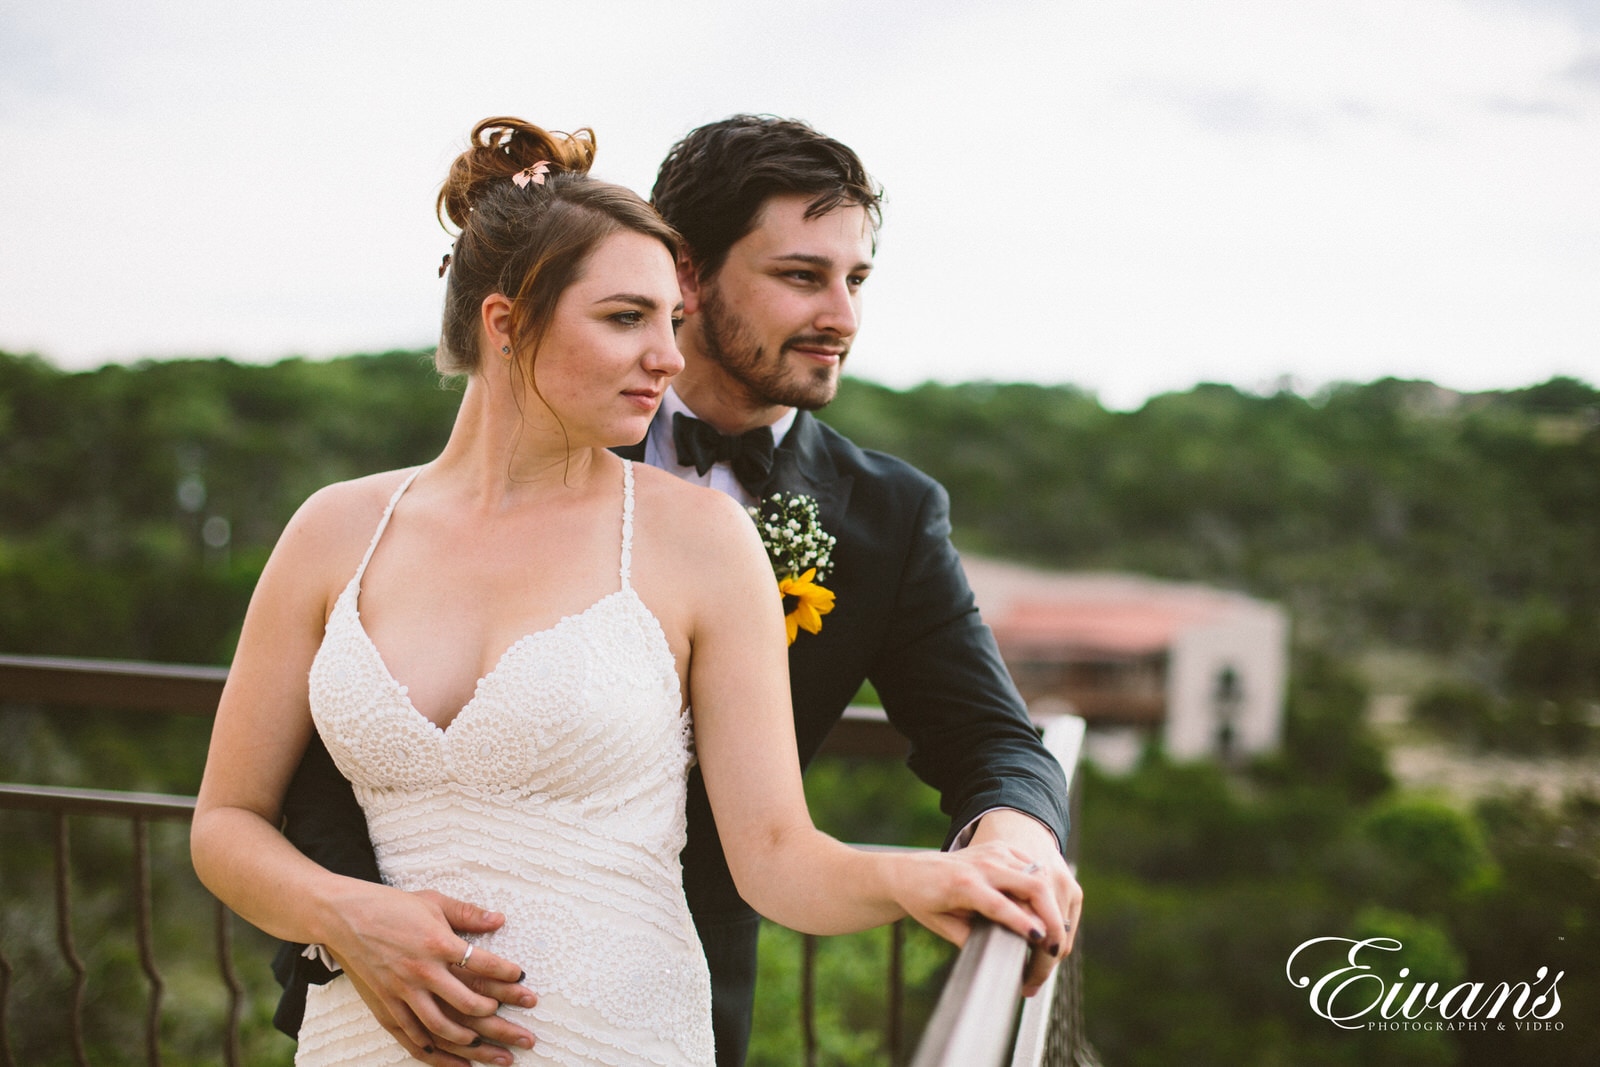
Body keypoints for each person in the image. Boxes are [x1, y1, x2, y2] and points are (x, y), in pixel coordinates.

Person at [191, 116, 1066, 1067]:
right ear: (508, 321)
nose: (668, 356)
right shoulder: (340, 527)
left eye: (855, 280)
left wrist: (961, 869)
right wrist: (347, 917)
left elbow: (809, 831)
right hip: (370, 1016)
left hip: (622, 1018)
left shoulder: (737, 534)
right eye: (626, 318)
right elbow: (249, 804)